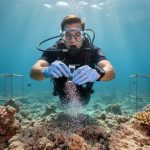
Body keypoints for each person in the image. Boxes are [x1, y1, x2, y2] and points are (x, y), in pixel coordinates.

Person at [30, 15, 115, 105]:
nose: (72, 40)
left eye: (78, 34)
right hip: (62, 95)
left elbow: (111, 71)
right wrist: (45, 71)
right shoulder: (53, 50)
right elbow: (33, 72)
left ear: (84, 35)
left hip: (85, 94)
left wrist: (98, 73)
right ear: (62, 35)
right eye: (67, 35)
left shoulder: (93, 50)